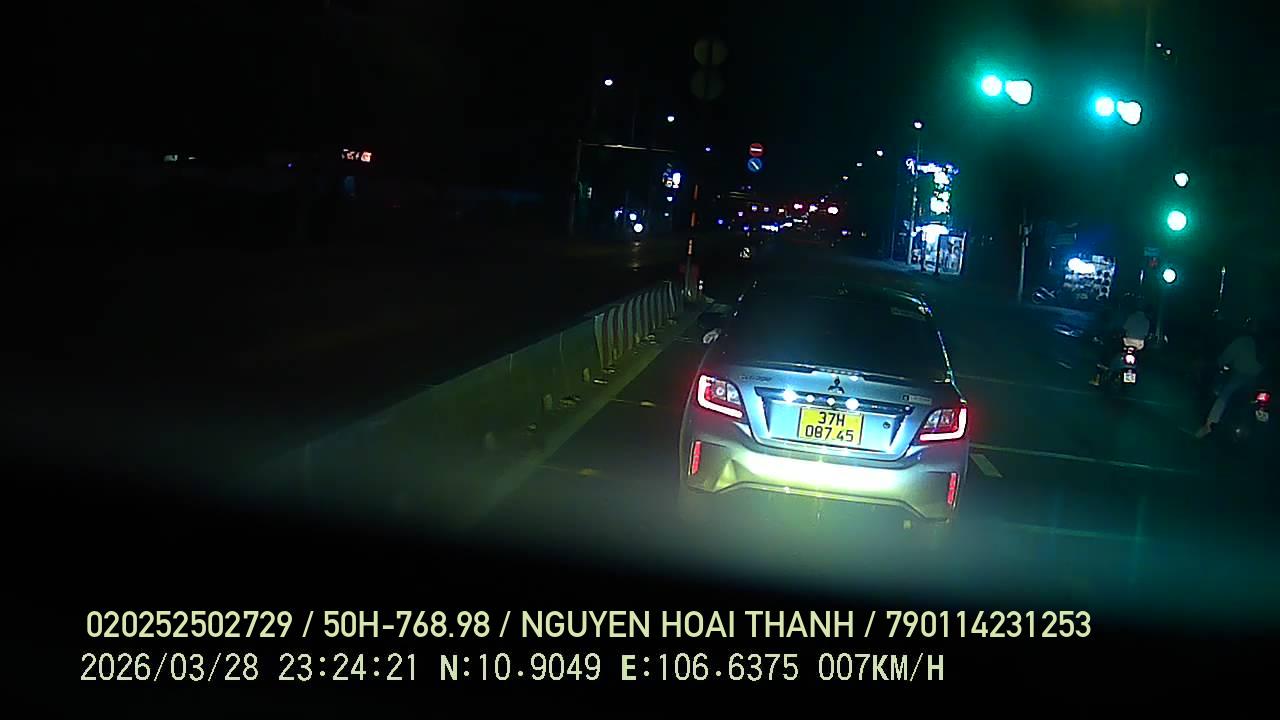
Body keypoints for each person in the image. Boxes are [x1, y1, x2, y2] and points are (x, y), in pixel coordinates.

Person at [1195, 317, 1263, 438]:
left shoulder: (1242, 341)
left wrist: (1219, 363)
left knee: (1224, 395)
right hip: (1259, 379)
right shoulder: (1263, 343)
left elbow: (1226, 356)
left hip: (1241, 376)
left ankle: (1208, 425)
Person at [1089, 299, 1150, 386]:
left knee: (1107, 354)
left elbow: (1124, 328)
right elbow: (1145, 334)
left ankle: (1099, 377)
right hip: (1139, 345)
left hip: (1127, 342)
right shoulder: (1146, 321)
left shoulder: (1131, 317)